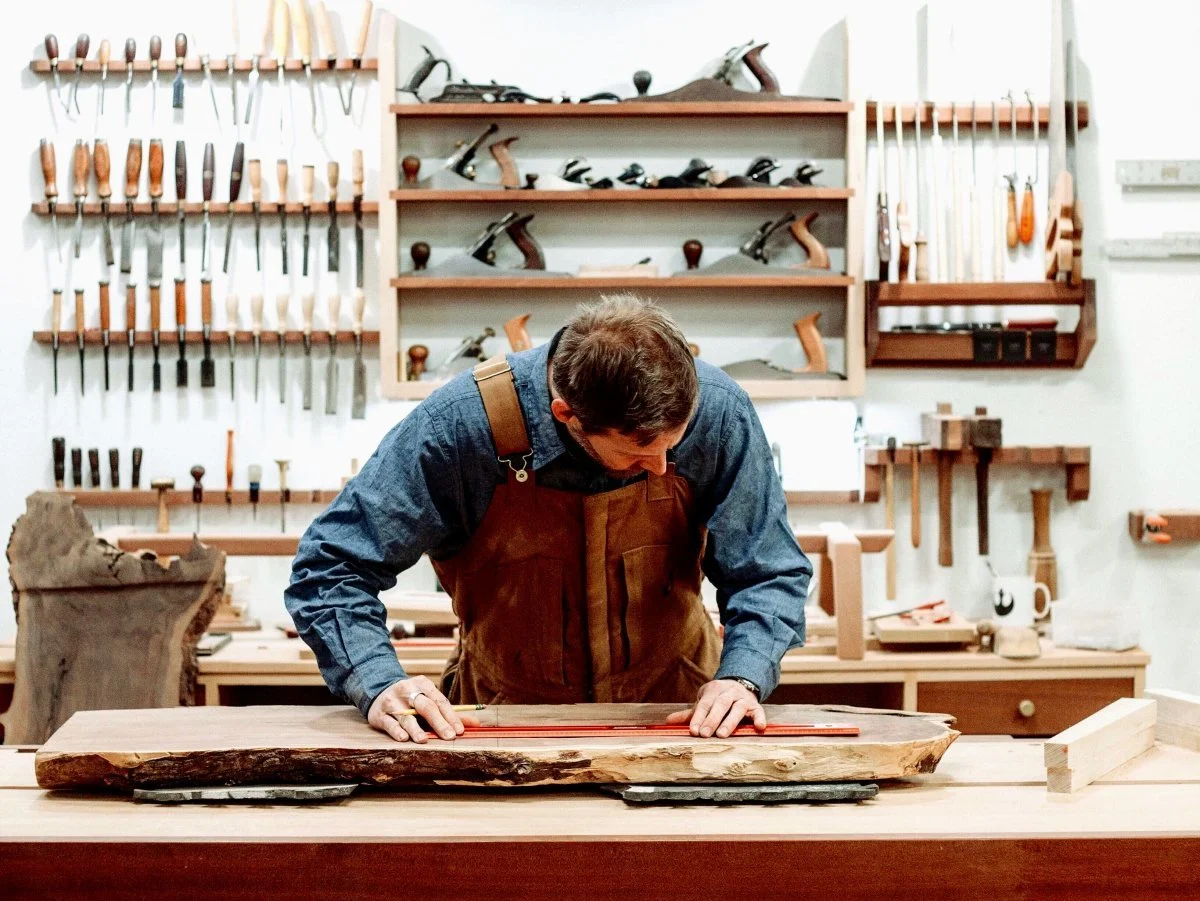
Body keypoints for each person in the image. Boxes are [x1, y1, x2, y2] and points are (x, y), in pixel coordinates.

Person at [286, 294, 811, 744]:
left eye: (676, 443)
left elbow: (768, 570)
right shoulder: (460, 427)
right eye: (641, 449)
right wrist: (377, 680)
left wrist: (742, 678)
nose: (661, 467)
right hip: (501, 725)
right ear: (567, 414)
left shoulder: (719, 411)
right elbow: (331, 568)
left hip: (679, 721)